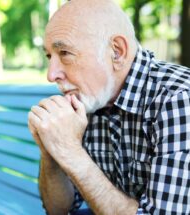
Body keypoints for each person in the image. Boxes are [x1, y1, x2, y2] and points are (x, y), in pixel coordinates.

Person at [28, 0, 190, 214]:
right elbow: (58, 209)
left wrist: (70, 151)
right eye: (49, 56)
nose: (51, 75)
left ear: (117, 51)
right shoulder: (90, 99)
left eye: (65, 53)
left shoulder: (177, 99)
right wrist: (51, 150)